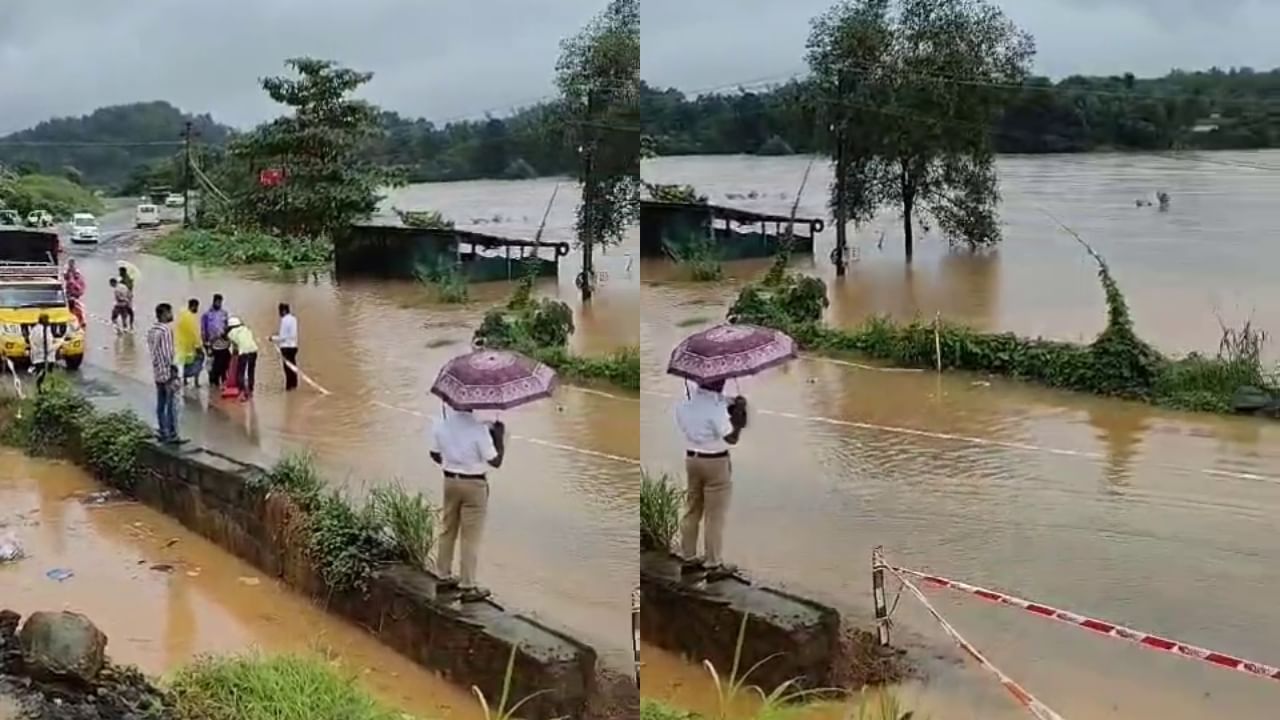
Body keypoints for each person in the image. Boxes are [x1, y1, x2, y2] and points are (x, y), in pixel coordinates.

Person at [429, 405, 505, 602]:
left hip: (450, 481)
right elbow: (495, 461)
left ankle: (443, 575)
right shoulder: (479, 429)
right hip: (474, 484)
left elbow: (434, 454)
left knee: (447, 529)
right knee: (470, 537)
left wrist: (452, 462)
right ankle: (468, 585)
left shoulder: (441, 423)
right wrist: (499, 437)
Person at [675, 379, 748, 580]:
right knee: (714, 516)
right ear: (720, 383)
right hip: (715, 463)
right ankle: (713, 563)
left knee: (692, 509)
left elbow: (722, 401)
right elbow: (731, 438)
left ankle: (688, 558)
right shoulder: (716, 410)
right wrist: (739, 420)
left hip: (692, 459)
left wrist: (733, 403)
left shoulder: (684, 405)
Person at [146, 303, 185, 444]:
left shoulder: (152, 330)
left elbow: (154, 353)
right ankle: (173, 434)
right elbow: (168, 354)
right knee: (172, 404)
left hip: (158, 373)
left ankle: (163, 431)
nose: (171, 315)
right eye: (170, 312)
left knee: (161, 404)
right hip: (168, 373)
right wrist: (174, 372)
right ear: (164, 314)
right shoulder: (166, 330)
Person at [226, 316, 258, 401]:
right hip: (254, 350)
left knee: (240, 372)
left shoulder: (231, 333)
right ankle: (250, 391)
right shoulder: (246, 329)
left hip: (243, 352)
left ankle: (242, 393)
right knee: (251, 371)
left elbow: (235, 348)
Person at [201, 294, 230, 387]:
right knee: (213, 365)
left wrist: (227, 338)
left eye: (220, 302)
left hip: (224, 343)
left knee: (225, 364)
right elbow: (203, 329)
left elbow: (227, 327)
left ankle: (223, 382)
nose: (219, 304)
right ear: (214, 301)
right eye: (217, 302)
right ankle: (213, 384)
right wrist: (205, 343)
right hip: (212, 344)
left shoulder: (224, 313)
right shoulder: (207, 315)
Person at [269, 302, 299, 391]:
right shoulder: (294, 319)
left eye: (280, 311)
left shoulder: (284, 320)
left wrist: (272, 338)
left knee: (287, 368)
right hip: (294, 346)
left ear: (283, 311)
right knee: (293, 366)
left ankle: (289, 387)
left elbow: (283, 337)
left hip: (286, 347)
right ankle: (294, 385)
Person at [176, 298, 204, 387]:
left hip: (183, 345)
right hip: (192, 346)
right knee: (199, 361)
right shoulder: (191, 317)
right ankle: (196, 382)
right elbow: (194, 332)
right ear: (194, 306)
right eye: (197, 307)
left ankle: (184, 380)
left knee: (186, 363)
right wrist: (199, 346)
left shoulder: (182, 315)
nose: (197, 310)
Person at [27, 313, 58, 394]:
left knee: (40, 375)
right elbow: (48, 346)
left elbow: (31, 341)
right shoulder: (44, 330)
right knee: (47, 374)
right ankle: (47, 391)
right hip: (46, 357)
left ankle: (40, 391)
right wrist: (58, 344)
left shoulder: (35, 329)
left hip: (38, 357)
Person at [64, 259, 86, 329]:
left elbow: (81, 288)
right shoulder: (67, 271)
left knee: (79, 309)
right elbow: (66, 278)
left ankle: (81, 321)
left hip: (75, 295)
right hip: (69, 294)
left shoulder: (77, 275)